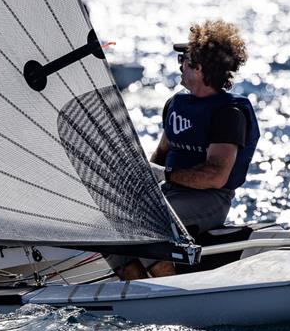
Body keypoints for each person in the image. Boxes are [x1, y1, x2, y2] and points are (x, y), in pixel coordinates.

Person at [107, 19, 260, 280]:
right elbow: (162, 155)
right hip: (171, 193)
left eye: (184, 60)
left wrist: (165, 175)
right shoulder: (177, 105)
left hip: (209, 199)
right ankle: (139, 289)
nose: (179, 66)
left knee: (147, 223)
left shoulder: (228, 113)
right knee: (107, 223)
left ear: (199, 68)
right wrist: (142, 181)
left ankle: (168, 288)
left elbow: (215, 176)